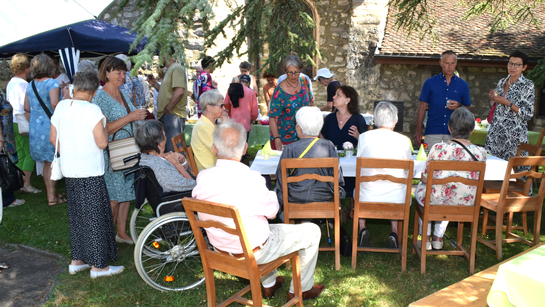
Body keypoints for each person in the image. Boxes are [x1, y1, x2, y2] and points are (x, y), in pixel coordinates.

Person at [192, 119, 325, 301]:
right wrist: (271, 195)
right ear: (245, 148)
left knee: (257, 229)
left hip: (220, 249)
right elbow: (272, 212)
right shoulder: (251, 179)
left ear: (214, 149)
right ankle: (300, 289)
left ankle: (269, 284)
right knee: (312, 231)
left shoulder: (203, 178)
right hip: (253, 251)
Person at [50, 70, 124, 279]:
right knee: (96, 218)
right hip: (90, 170)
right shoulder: (93, 109)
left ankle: (78, 260)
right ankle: (98, 267)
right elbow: (102, 142)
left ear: (75, 87)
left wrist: (71, 153)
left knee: (77, 215)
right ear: (93, 91)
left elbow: (52, 137)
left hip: (70, 169)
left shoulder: (63, 106)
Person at [415, 107, 487, 250]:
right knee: (454, 192)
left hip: (436, 200)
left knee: (429, 190)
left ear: (449, 128)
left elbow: (425, 178)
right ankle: (438, 238)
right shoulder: (481, 153)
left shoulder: (438, 148)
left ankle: (426, 238)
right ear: (472, 130)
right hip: (466, 203)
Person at [94, 56, 148, 245]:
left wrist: (137, 119)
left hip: (127, 150)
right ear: (107, 73)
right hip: (112, 153)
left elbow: (130, 116)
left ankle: (122, 233)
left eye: (124, 72)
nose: (123, 76)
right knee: (113, 199)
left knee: (126, 194)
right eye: (119, 72)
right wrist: (130, 117)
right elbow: (103, 129)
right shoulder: (100, 98)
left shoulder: (121, 93)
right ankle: (107, 237)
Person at [355, 102, 412, 248]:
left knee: (360, 187)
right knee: (397, 186)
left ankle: (362, 227)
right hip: (397, 198)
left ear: (375, 119)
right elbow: (406, 172)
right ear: (395, 120)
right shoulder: (404, 141)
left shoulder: (364, 138)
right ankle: (394, 231)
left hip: (367, 196)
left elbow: (359, 167)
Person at [275, 107, 346, 216]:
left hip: (296, 198)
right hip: (324, 197)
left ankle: (298, 219)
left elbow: (281, 179)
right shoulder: (329, 146)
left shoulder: (290, 149)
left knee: (277, 189)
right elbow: (338, 178)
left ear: (299, 128)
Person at [23, 54, 63, 206]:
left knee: (48, 162)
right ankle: (52, 197)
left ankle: (51, 194)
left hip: (35, 127)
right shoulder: (52, 83)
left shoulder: (30, 85)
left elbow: (26, 107)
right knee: (52, 161)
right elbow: (54, 104)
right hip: (50, 126)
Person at [414, 50, 471, 148]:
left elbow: (468, 110)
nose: (450, 66)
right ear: (440, 63)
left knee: (452, 163)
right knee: (430, 162)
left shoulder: (463, 85)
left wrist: (459, 107)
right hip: (432, 131)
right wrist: (419, 130)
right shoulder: (430, 83)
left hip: (455, 134)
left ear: (456, 63)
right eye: (447, 63)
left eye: (452, 63)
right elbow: (422, 107)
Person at [485, 50, 535, 163]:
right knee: (492, 169)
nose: (513, 67)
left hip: (514, 137)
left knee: (512, 174)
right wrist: (493, 100)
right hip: (496, 134)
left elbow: (528, 114)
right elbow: (496, 108)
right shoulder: (502, 82)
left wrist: (508, 103)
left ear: (524, 67)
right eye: (510, 63)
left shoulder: (527, 85)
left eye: (517, 64)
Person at [320, 85, 367, 200]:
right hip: (332, 163)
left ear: (348, 100)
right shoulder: (330, 118)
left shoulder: (358, 119)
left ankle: (353, 207)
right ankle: (337, 207)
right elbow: (322, 138)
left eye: (338, 95)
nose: (333, 97)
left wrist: (358, 136)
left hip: (352, 163)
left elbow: (366, 144)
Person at [6, 53, 40, 194]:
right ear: (26, 68)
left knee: (20, 153)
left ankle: (19, 182)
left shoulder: (11, 82)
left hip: (12, 121)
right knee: (29, 153)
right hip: (22, 121)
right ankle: (26, 184)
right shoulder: (24, 84)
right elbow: (25, 106)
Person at [135, 120, 196, 193]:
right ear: (159, 144)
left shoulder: (150, 158)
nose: (166, 137)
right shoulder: (160, 167)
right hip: (183, 199)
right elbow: (194, 186)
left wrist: (182, 162)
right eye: (164, 135)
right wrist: (177, 164)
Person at [268, 54, 313, 150]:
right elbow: (273, 118)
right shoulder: (279, 91)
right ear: (285, 71)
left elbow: (309, 106)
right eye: (290, 72)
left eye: (296, 72)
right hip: (284, 139)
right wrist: (277, 139)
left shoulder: (305, 82)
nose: (293, 76)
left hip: (304, 137)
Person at [156, 52, 190, 153]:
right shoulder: (170, 70)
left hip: (173, 115)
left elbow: (179, 91)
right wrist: (154, 84)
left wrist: (169, 108)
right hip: (169, 115)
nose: (159, 58)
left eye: (160, 55)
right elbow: (166, 93)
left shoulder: (176, 68)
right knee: (170, 151)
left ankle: (180, 169)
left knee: (175, 152)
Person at [191, 90, 229, 172]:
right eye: (221, 106)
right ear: (209, 108)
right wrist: (224, 125)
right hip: (210, 172)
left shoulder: (207, 124)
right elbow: (223, 152)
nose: (224, 109)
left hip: (215, 169)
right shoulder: (203, 126)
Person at [1, 87, 25, 208]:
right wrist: (0, 136)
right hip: (3, 136)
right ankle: (7, 199)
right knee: (4, 166)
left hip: (7, 134)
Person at [224, 74, 259, 139]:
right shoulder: (251, 93)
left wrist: (229, 114)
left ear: (239, 82)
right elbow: (254, 112)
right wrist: (253, 119)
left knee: (233, 146)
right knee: (243, 146)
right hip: (245, 125)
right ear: (248, 83)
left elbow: (226, 104)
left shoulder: (231, 90)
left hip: (233, 123)